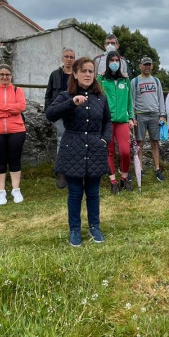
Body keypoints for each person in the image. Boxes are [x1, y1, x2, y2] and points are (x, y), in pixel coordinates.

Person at [46, 57, 113, 247]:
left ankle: (95, 226)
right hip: (72, 148)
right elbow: (50, 114)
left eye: (91, 71)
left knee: (93, 193)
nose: (87, 74)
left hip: (95, 147)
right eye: (83, 71)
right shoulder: (66, 96)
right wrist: (72, 103)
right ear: (74, 74)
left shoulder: (101, 97)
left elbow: (107, 121)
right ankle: (75, 230)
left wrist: (104, 140)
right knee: (75, 193)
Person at [0, 65, 27, 205]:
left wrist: (0, 106)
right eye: (1, 74)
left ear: (11, 76)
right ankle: (1, 191)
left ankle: (16, 189)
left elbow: (21, 107)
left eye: (7, 74)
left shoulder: (17, 90)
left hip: (16, 130)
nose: (4, 77)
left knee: (15, 159)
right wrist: (10, 110)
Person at [99, 50, 135, 194]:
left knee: (125, 151)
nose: (114, 63)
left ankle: (124, 179)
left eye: (116, 60)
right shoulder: (101, 79)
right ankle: (113, 181)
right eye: (111, 60)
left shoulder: (125, 80)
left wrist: (131, 117)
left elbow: (129, 101)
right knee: (109, 151)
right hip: (106, 121)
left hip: (122, 120)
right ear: (107, 63)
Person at [131, 56, 166, 182]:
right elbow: (132, 100)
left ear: (152, 66)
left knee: (155, 142)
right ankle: (139, 169)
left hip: (154, 115)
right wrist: (132, 116)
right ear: (140, 66)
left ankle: (157, 169)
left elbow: (161, 98)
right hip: (140, 114)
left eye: (149, 64)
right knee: (139, 143)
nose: (147, 67)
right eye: (144, 64)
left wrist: (162, 115)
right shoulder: (134, 81)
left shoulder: (156, 81)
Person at [44, 48, 76, 189]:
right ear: (62, 58)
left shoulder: (77, 75)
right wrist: (49, 111)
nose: (69, 59)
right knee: (61, 141)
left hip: (75, 113)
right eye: (66, 56)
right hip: (59, 113)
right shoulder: (54, 75)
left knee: (77, 142)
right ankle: (62, 173)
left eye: (71, 57)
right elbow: (49, 94)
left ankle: (74, 171)